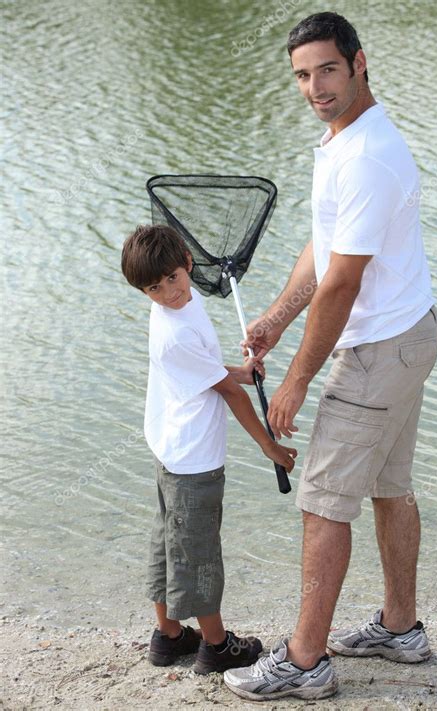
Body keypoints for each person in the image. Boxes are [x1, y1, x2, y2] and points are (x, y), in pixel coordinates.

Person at [223, 11, 437, 701]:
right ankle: (401, 627)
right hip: (410, 335)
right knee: (389, 484)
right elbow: (325, 248)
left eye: (326, 69)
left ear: (358, 63)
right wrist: (276, 320)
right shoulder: (344, 141)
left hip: (379, 349)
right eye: (301, 75)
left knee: (322, 502)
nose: (314, 86)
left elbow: (345, 281)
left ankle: (305, 660)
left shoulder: (370, 155)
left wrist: (294, 381)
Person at [121, 224, 297, 675]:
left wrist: (239, 371)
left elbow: (208, 372)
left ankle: (169, 636)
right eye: (154, 289)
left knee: (169, 540)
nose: (168, 293)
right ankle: (217, 647)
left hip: (171, 449)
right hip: (193, 461)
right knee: (199, 553)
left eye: (173, 280)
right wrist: (269, 447)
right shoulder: (173, 329)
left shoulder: (186, 307)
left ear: (187, 264)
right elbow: (229, 395)